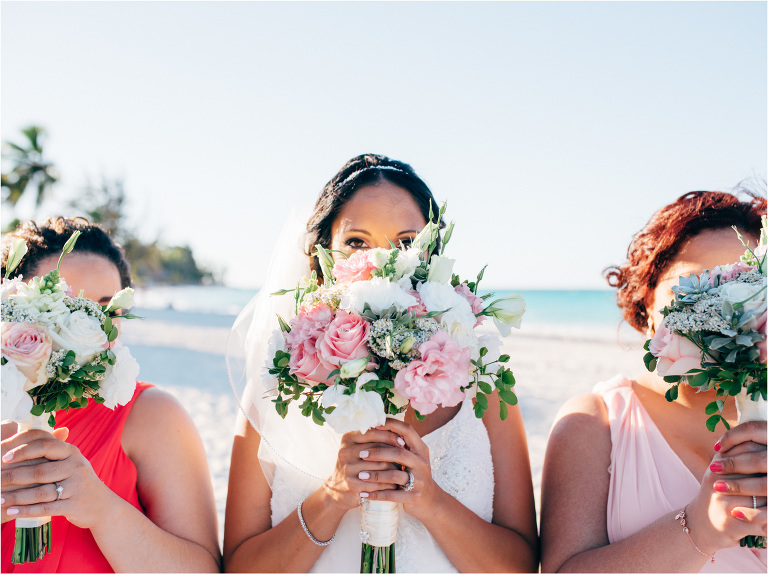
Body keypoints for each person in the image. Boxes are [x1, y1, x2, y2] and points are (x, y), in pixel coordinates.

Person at [223, 154, 538, 572]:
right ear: (322, 257)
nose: (381, 264)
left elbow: (522, 566)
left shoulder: (483, 381)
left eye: (406, 243)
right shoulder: (275, 389)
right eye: (356, 243)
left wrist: (432, 502)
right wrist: (333, 497)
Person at [540, 191, 767, 572]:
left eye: (743, 286)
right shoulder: (594, 423)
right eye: (694, 285)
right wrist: (700, 529)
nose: (722, 312)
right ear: (645, 302)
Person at [1, 217, 221, 572]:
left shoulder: (152, 416)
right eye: (68, 303)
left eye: (108, 310)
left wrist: (101, 508)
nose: (92, 326)